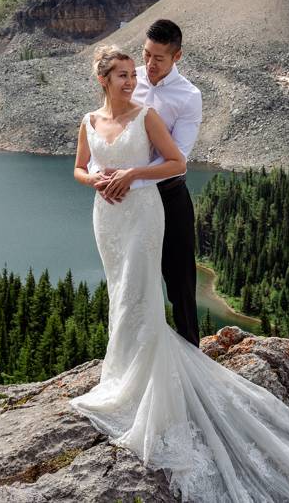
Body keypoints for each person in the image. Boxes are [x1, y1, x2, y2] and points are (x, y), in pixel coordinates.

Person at [69, 45, 289, 502]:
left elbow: (177, 163)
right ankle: (120, 377)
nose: (130, 80)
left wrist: (133, 173)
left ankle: (145, 388)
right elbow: (79, 168)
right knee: (119, 292)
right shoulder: (88, 121)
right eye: (121, 74)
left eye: (131, 73)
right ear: (103, 80)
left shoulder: (145, 117)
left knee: (141, 294)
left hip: (141, 213)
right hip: (107, 217)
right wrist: (96, 180)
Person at [87, 18, 202, 344]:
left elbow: (177, 158)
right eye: (146, 54)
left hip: (168, 196)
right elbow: (104, 128)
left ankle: (191, 359)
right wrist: (100, 172)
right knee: (130, 282)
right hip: (125, 201)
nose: (149, 65)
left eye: (159, 58)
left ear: (177, 57)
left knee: (179, 283)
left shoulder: (189, 96)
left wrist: (131, 176)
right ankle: (137, 359)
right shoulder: (127, 77)